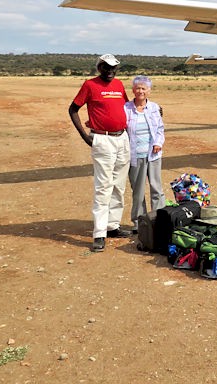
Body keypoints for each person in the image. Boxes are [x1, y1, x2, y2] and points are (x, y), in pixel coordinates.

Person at [68, 54, 132, 252]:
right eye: (106, 67)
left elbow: (128, 108)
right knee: (103, 186)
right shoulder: (90, 85)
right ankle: (99, 232)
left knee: (119, 185)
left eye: (114, 68)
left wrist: (152, 109)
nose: (110, 71)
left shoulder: (119, 85)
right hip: (102, 140)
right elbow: (73, 109)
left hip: (122, 138)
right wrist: (85, 137)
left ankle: (113, 226)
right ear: (99, 68)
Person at [124, 75, 166, 232]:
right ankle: (139, 222)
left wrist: (157, 143)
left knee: (157, 189)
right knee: (138, 192)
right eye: (138, 88)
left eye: (144, 88)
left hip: (153, 155)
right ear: (133, 90)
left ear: (149, 90)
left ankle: (159, 220)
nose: (140, 91)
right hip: (135, 156)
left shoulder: (154, 107)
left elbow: (160, 129)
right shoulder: (126, 108)